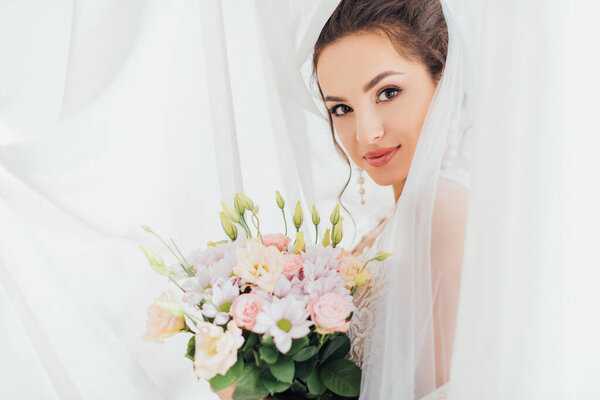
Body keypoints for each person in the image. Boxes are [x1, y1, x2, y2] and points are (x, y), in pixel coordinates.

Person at [311, 0, 473, 398]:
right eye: (342, 108)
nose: (365, 133)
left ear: (443, 80)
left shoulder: (441, 207)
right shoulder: (386, 221)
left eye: (387, 92)